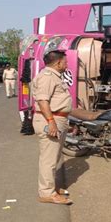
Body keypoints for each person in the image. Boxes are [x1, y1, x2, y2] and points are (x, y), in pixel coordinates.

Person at [32, 50, 73, 205]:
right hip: (50, 119)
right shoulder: (47, 77)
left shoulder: (54, 77)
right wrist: (51, 121)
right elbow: (43, 101)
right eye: (65, 62)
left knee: (53, 157)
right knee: (48, 158)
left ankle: (51, 188)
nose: (67, 64)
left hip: (57, 118)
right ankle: (47, 193)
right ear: (58, 63)